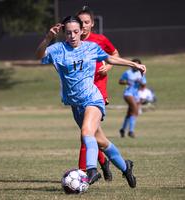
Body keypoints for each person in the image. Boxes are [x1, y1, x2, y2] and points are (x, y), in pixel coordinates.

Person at [35, 16, 146, 188]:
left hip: (93, 99)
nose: (72, 36)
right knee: (101, 141)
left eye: (76, 32)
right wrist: (48, 38)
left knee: (86, 131)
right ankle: (126, 167)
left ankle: (92, 170)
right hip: (76, 105)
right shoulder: (58, 49)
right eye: (69, 32)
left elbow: (110, 58)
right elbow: (39, 55)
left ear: (81, 32)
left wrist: (133, 64)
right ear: (64, 33)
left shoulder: (91, 48)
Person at [76, 6, 120, 182]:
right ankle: (104, 162)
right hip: (80, 93)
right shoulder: (73, 43)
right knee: (92, 134)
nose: (84, 25)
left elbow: (114, 53)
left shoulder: (100, 39)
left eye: (87, 22)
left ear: (92, 23)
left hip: (98, 92)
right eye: (80, 22)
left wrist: (108, 66)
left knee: (86, 134)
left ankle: (83, 173)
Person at [119, 58, 146, 138]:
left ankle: (123, 129)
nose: (135, 66)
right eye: (134, 64)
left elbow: (144, 85)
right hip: (128, 94)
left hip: (136, 95)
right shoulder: (127, 73)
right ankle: (131, 131)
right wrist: (126, 82)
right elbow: (120, 81)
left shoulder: (141, 73)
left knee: (129, 113)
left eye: (137, 65)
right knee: (135, 111)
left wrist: (140, 82)